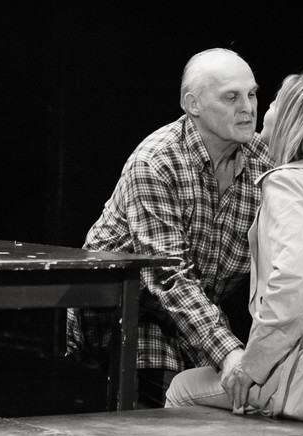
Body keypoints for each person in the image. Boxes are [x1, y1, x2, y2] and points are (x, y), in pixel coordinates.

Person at [165, 73, 303, 424]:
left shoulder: (288, 184)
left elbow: (294, 283)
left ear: (290, 121)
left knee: (183, 388)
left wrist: (251, 367)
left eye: (272, 103)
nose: (258, 110)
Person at [67, 48, 273, 408]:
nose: (248, 107)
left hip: (196, 312)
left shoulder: (262, 161)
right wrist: (228, 353)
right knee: (165, 414)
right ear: (192, 104)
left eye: (252, 94)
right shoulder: (157, 161)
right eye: (231, 97)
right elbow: (168, 276)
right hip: (130, 311)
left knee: (238, 407)